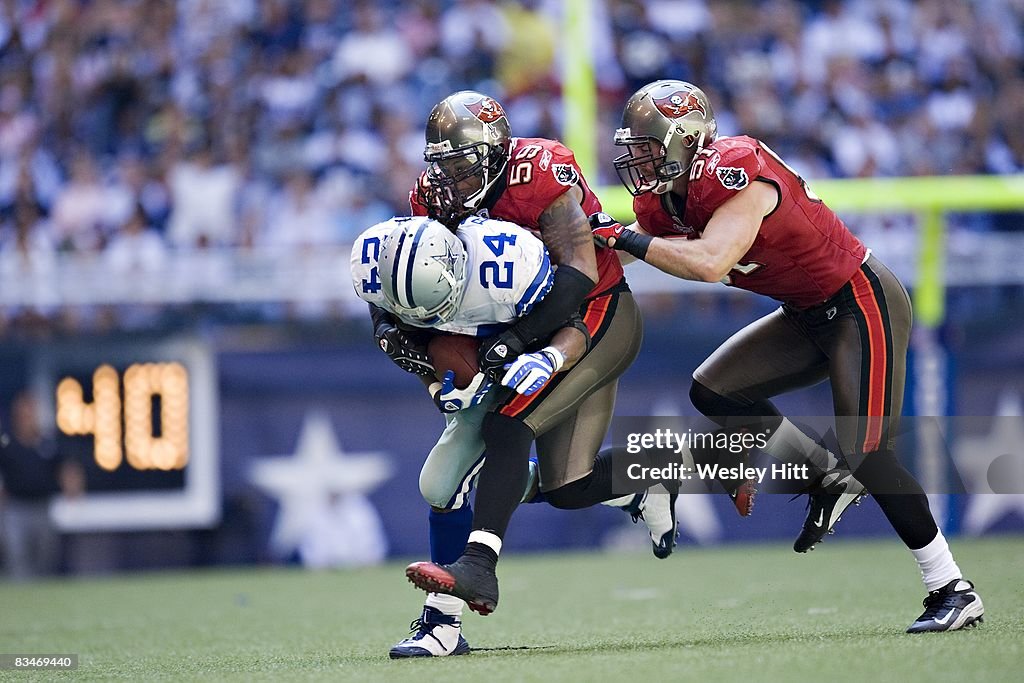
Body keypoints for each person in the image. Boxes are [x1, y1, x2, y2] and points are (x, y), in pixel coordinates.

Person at [593, 79, 984, 633]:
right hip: (804, 310)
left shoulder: (733, 168)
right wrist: (565, 255)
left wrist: (621, 239)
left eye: (652, 145)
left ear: (686, 139)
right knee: (715, 389)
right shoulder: (663, 199)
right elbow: (624, 249)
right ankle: (823, 473)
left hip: (857, 298)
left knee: (868, 451)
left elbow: (709, 261)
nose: (642, 159)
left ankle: (952, 588)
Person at [353, 213, 673, 657]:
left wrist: (547, 358)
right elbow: (398, 323)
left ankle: (451, 609)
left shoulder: (506, 266)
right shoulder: (381, 261)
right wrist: (432, 377)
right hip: (486, 371)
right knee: (451, 484)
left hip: (544, 354)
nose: (433, 321)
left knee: (515, 470)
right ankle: (442, 625)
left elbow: (574, 324)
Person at [0, 390, 84, 580]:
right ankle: (20, 594)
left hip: (43, 507)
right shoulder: (6, 443)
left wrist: (72, 486)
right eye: (25, 413)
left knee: (45, 557)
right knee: (17, 554)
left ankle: (42, 597)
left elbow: (67, 467)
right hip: (16, 508)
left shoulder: (48, 443)